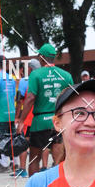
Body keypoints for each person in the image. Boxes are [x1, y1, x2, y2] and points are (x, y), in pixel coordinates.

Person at [18, 43, 73, 174]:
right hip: (59, 120)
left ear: (41, 58)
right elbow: (72, 98)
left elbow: (30, 98)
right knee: (59, 160)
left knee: (34, 159)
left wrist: (21, 121)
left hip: (40, 121)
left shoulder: (35, 74)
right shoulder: (65, 75)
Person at [0, 58, 18, 174]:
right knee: (11, 138)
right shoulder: (11, 78)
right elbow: (13, 96)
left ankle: (4, 164)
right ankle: (14, 163)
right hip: (10, 112)